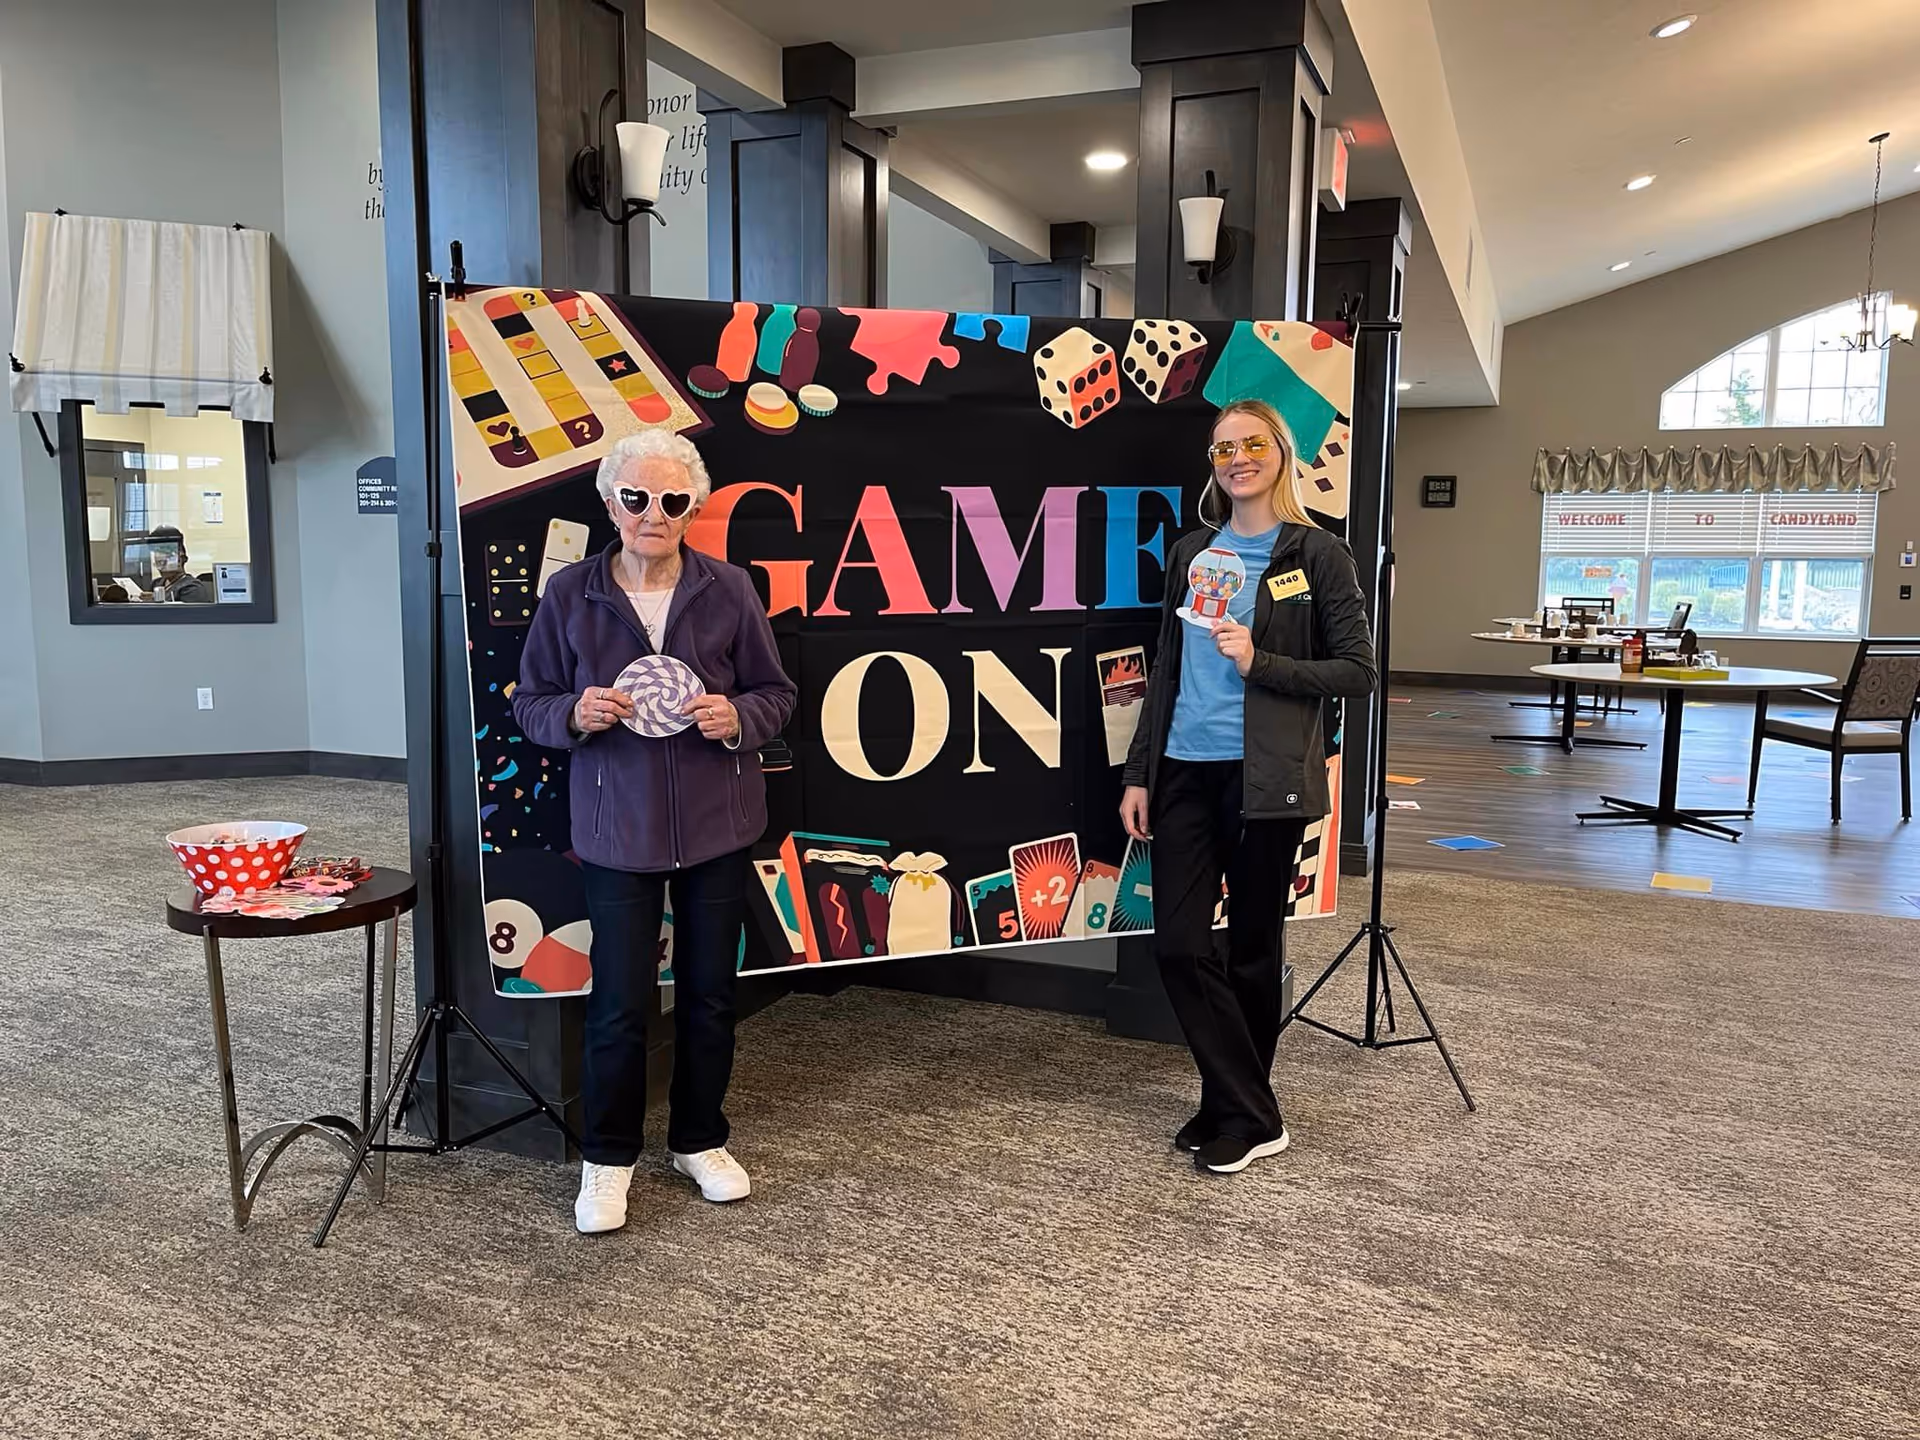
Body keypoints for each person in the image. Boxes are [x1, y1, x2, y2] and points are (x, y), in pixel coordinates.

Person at [513, 430, 797, 1234]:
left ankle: (699, 1139)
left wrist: (737, 715)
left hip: (719, 823)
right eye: (636, 498)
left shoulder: (729, 588)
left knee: (710, 996)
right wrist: (573, 711)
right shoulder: (570, 593)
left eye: (673, 501)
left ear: (693, 509)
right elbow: (529, 700)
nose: (654, 514)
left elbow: (777, 692)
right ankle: (608, 1159)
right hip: (616, 829)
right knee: (618, 1005)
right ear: (610, 504)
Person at [1120, 398, 1376, 1176]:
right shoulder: (1192, 551)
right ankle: (1255, 1112)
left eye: (1251, 443)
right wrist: (1140, 772)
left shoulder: (1316, 553)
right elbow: (1164, 671)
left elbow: (1357, 672)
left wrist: (1259, 661)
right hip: (1184, 772)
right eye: (1223, 447)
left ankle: (1229, 1105)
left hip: (1268, 780)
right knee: (1179, 945)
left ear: (1280, 453)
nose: (1236, 458)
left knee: (1255, 950)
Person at [145, 527, 213, 603]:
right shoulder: (157, 583)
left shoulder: (192, 588)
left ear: (182, 558)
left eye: (164, 562)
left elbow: (193, 614)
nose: (161, 568)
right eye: (158, 564)